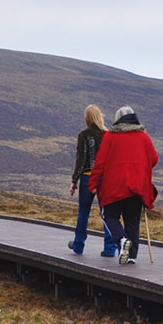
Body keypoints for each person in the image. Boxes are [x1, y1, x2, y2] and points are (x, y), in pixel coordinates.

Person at [89, 106, 158, 265]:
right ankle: (131, 256)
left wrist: (93, 183)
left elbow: (100, 162)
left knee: (109, 215)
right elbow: (154, 158)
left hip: (114, 186)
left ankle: (121, 240)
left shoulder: (111, 136)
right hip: (137, 186)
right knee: (132, 220)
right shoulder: (144, 137)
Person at [68, 105, 118, 257]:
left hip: (88, 177)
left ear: (87, 118)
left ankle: (78, 245)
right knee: (107, 213)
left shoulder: (84, 135)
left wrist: (74, 180)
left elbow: (81, 159)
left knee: (83, 212)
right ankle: (110, 248)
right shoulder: (108, 135)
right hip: (105, 179)